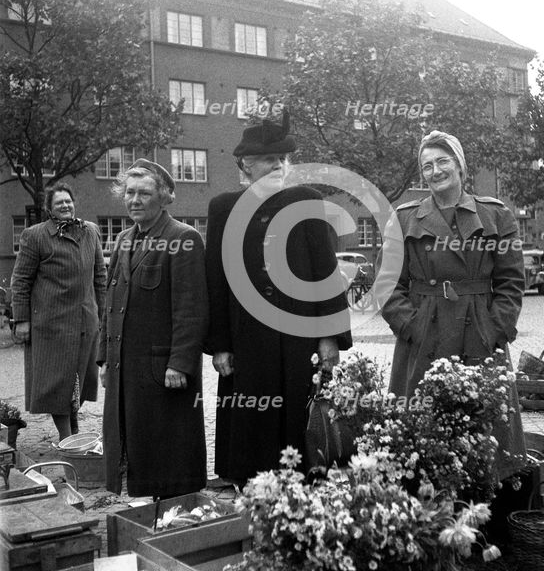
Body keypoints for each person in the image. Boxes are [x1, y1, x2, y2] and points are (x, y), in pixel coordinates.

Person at [205, 113, 352, 484]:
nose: (277, 166)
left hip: (298, 338)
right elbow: (216, 280)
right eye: (268, 160)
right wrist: (220, 344)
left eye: (282, 160)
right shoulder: (223, 208)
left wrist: (330, 336)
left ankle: (304, 492)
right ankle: (252, 492)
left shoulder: (307, 200)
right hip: (245, 338)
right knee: (249, 420)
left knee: (298, 416)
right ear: (246, 166)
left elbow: (326, 274)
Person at [377, 130, 526, 480]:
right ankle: (424, 511)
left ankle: (490, 506)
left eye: (443, 161)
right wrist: (409, 326)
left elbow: (511, 282)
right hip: (424, 333)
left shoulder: (495, 216)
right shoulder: (404, 218)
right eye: (427, 165)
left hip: (479, 334)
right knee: (419, 433)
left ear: (460, 166)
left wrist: (496, 328)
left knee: (487, 431)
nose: (435, 170)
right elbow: (387, 283)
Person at [99, 159, 209, 499]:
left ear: (163, 197)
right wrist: (104, 358)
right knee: (135, 441)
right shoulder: (122, 239)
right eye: (129, 193)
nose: (134, 200)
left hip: (163, 368)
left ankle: (177, 511)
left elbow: (191, 309)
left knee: (169, 446)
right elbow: (110, 303)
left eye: (144, 193)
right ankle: (151, 509)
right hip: (125, 367)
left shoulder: (183, 238)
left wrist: (180, 362)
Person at [11, 182, 106, 442]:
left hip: (86, 322)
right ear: (49, 209)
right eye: (58, 203)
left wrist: (105, 315)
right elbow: (20, 280)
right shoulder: (36, 235)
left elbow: (100, 277)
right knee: (57, 384)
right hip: (51, 325)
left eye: (68, 201)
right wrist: (21, 320)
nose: (65, 205)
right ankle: (67, 438)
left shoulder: (91, 232)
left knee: (82, 381)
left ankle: (72, 429)